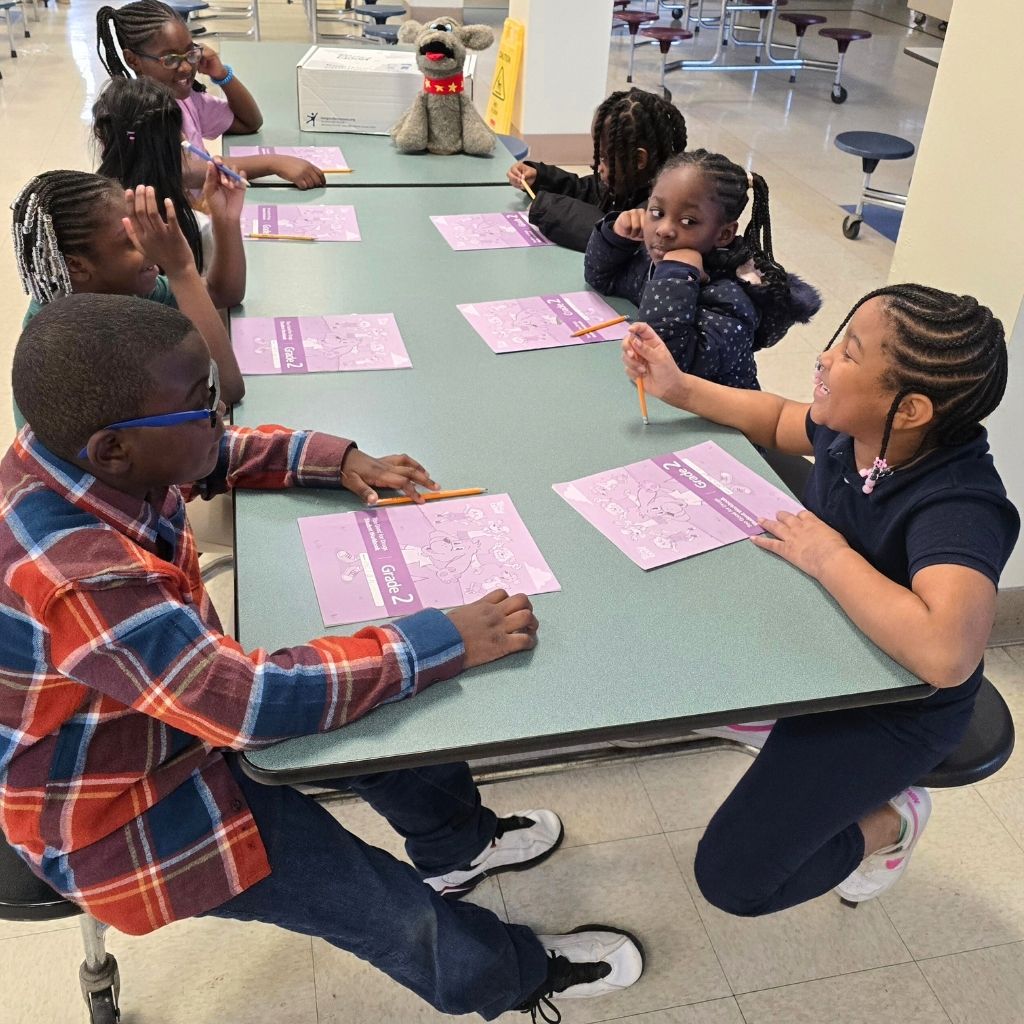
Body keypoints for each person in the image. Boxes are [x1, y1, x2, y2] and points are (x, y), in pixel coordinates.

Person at [0, 295, 645, 1020]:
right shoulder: (80, 578)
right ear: (115, 446)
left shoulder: (85, 456)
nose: (218, 416)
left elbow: (215, 451)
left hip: (174, 712)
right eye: (200, 403)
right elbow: (250, 705)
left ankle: (458, 846)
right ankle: (514, 978)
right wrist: (443, 639)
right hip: (124, 806)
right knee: (371, 900)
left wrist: (337, 461)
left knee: (382, 711)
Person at [621, 283, 1019, 911]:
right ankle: (772, 710)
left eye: (850, 354)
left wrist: (828, 556)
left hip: (895, 706)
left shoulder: (960, 505)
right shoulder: (859, 430)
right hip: (822, 650)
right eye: (837, 341)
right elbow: (780, 419)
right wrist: (679, 388)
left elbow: (945, 655)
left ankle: (895, 821)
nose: (825, 359)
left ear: (911, 409)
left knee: (736, 880)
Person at [587, 149, 820, 389]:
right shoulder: (656, 259)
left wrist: (676, 276)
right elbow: (603, 279)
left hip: (717, 423)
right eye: (657, 213)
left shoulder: (732, 299)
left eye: (688, 221)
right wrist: (615, 237)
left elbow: (666, 365)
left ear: (724, 234)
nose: (663, 229)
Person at [11, 172, 245, 406]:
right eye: (130, 240)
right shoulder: (72, 347)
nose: (151, 246)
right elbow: (224, 390)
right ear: (76, 265)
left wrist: (226, 221)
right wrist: (181, 269)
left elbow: (220, 293)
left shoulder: (115, 287)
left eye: (142, 229)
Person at [96, 0, 327, 189]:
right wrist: (272, 163)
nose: (186, 67)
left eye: (190, 53)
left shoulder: (184, 99)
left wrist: (222, 75)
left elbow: (249, 122)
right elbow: (184, 171)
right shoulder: (135, 114)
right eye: (170, 59)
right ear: (132, 60)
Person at [93, 75, 245, 282]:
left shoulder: (84, 214)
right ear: (181, 140)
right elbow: (223, 295)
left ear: (101, 137)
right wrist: (226, 221)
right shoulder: (194, 227)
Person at [507, 87, 687, 252]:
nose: (599, 168)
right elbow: (587, 189)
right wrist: (540, 177)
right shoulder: (631, 181)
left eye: (604, 159)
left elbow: (607, 232)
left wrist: (545, 207)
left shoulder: (658, 210)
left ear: (639, 160)